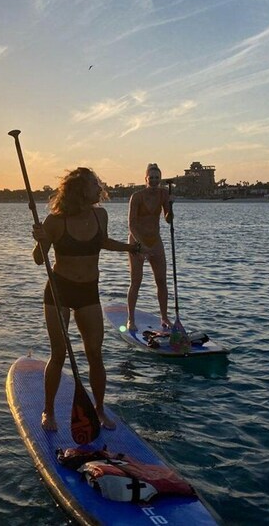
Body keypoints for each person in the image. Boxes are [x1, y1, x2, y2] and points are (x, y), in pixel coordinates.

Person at [32, 167, 140, 431]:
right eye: (94, 183)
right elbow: (38, 259)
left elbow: (101, 241)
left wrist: (130, 247)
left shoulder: (99, 214)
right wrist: (40, 240)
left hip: (89, 291)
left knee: (94, 354)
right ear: (80, 189)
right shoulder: (55, 221)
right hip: (59, 291)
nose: (99, 187)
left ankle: (99, 410)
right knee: (58, 354)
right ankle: (48, 412)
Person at [126, 163, 173, 332]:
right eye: (151, 178)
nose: (154, 180)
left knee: (161, 281)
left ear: (160, 179)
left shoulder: (164, 194)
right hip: (137, 242)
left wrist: (171, 208)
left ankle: (165, 317)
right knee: (136, 282)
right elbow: (131, 224)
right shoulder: (137, 196)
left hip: (155, 241)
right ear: (146, 179)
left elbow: (168, 220)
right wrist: (141, 245)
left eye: (156, 178)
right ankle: (131, 319)